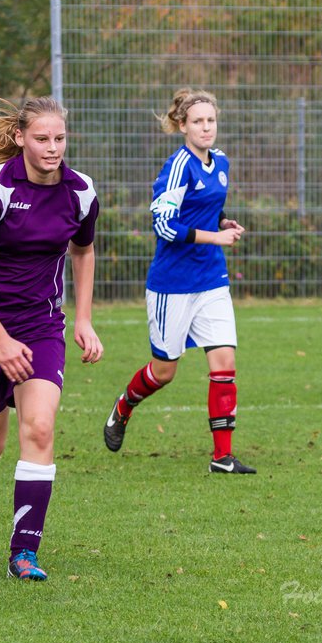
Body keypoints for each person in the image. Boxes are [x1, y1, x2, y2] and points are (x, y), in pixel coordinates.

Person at [0, 96, 103, 582]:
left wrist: (85, 320)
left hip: (41, 324)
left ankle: (23, 553)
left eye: (60, 139)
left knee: (40, 428)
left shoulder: (81, 191)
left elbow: (84, 252)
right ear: (20, 139)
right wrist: (1, 341)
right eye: (42, 139)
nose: (52, 148)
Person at [101, 88, 253, 474]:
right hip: (173, 284)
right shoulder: (177, 167)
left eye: (211, 120)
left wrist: (222, 223)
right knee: (164, 371)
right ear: (182, 125)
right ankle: (124, 405)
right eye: (198, 121)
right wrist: (215, 236)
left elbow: (204, 209)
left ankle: (222, 457)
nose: (206, 128)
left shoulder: (220, 162)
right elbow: (164, 225)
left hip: (212, 279)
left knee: (225, 364)